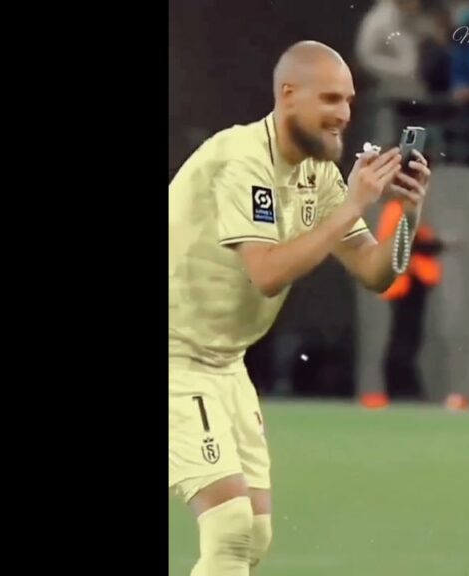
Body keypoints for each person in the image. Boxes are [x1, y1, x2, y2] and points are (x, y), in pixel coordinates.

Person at [168, 40, 433, 574]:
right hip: (174, 356)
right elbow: (267, 274)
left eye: (350, 102)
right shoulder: (240, 160)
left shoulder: (318, 175)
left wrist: (405, 213)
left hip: (223, 362)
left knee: (253, 536)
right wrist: (355, 204)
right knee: (230, 526)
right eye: (330, 99)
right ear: (288, 96)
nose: (343, 115)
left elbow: (374, 272)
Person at [377, 199, 444, 399]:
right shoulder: (398, 209)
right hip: (406, 283)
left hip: (409, 282)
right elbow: (407, 242)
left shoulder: (399, 209)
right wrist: (433, 246)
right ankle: (402, 388)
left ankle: (401, 387)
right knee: (404, 338)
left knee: (406, 337)